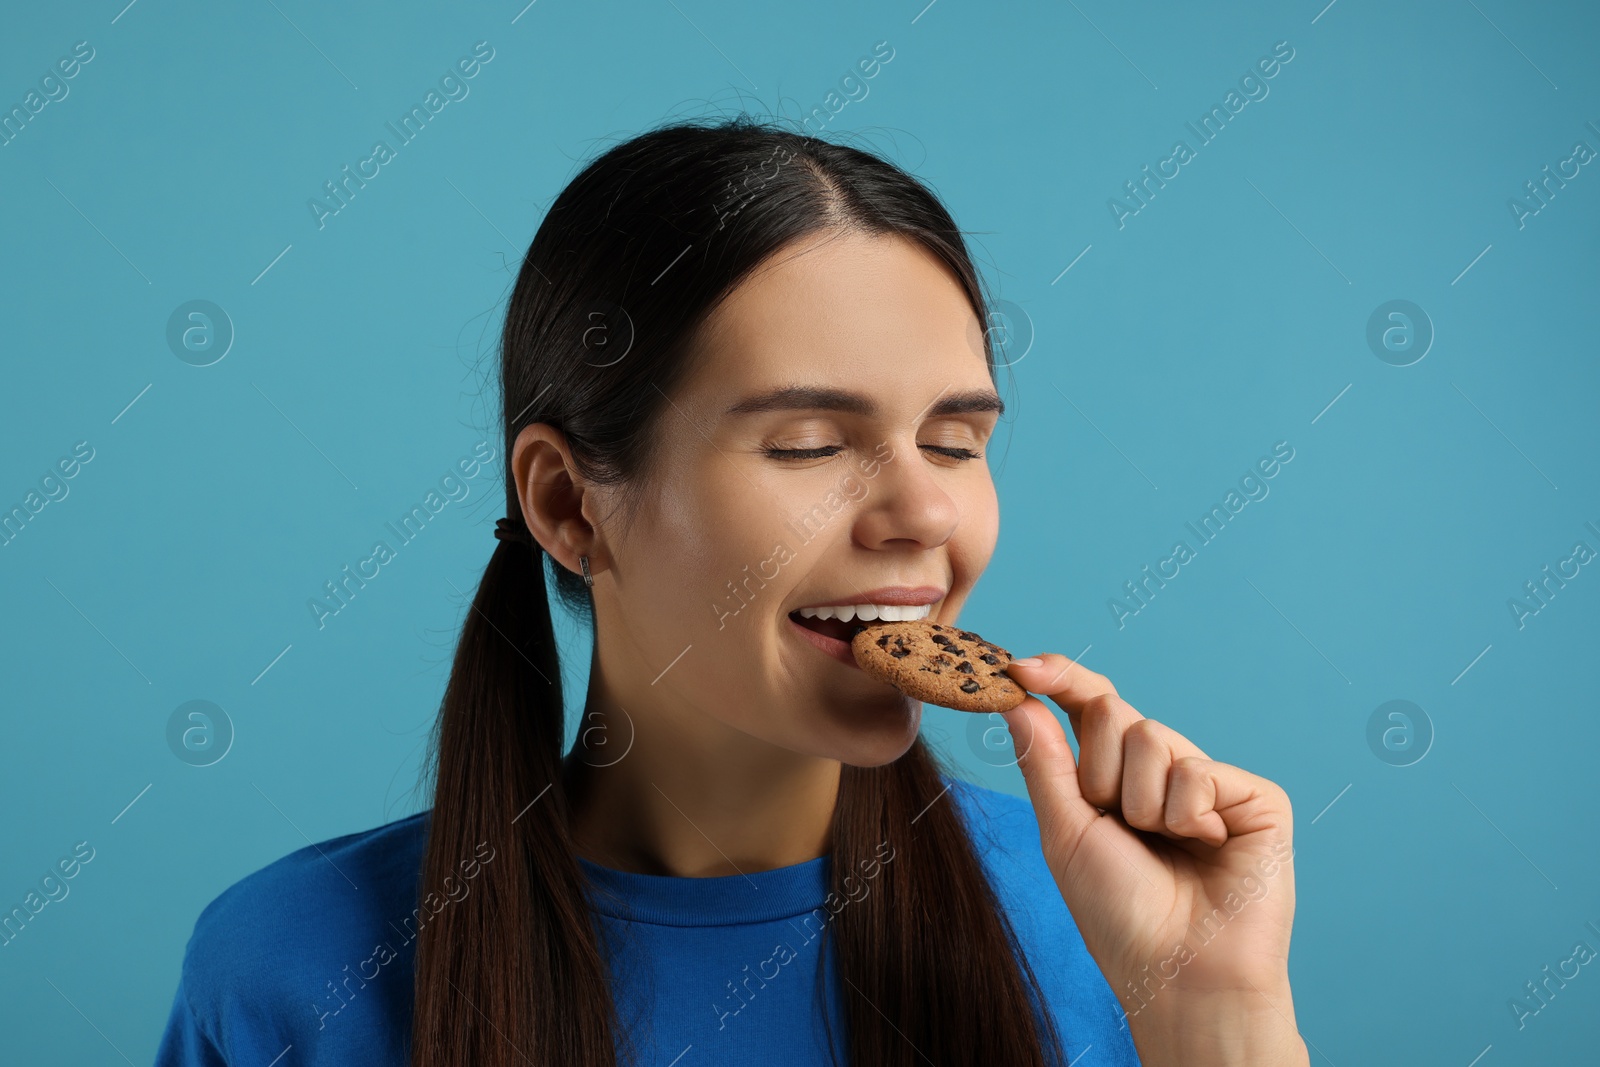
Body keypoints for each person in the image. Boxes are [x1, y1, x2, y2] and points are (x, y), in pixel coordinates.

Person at [154, 115, 1308, 1067]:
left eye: (955, 442)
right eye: (809, 442)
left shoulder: (1102, 927)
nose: (925, 514)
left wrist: (1219, 1013)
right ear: (568, 502)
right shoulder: (293, 969)